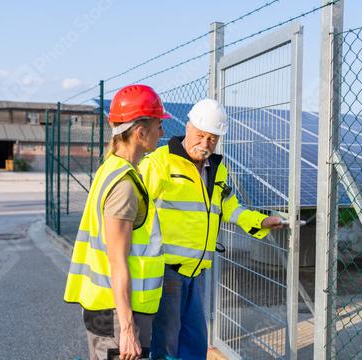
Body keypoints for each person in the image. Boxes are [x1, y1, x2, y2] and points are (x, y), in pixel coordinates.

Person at [138, 98, 283, 359]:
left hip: (197, 272)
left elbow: (230, 207)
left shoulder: (217, 169)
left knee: (194, 341)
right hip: (165, 271)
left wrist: (260, 221)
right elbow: (134, 214)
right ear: (188, 127)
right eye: (200, 135)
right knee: (166, 343)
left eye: (212, 139)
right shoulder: (159, 164)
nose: (205, 144)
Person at [64, 84, 169, 360]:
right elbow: (117, 261)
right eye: (158, 124)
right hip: (118, 313)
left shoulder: (110, 169)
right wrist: (128, 330)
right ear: (140, 132)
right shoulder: (124, 185)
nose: (163, 132)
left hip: (109, 308)